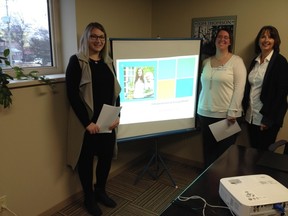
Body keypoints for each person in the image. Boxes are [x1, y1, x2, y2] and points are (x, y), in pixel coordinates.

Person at [66, 22, 121, 216]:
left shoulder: (108, 62)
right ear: (86, 39)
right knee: (86, 162)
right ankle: (88, 197)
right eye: (94, 36)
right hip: (88, 125)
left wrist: (117, 116)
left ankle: (100, 192)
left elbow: (116, 91)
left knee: (105, 159)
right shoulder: (77, 62)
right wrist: (87, 123)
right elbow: (72, 95)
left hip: (107, 122)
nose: (98, 40)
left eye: (102, 37)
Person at [197, 28, 247, 168]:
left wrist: (233, 112)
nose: (222, 39)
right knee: (208, 152)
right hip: (205, 113)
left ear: (230, 41)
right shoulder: (206, 62)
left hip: (226, 116)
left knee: (222, 155)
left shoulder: (236, 61)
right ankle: (206, 183)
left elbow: (239, 88)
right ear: (215, 39)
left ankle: (220, 186)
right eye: (219, 36)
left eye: (226, 37)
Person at [243, 25, 288, 151]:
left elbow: (281, 94)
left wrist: (268, 120)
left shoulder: (280, 62)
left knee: (263, 156)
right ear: (258, 40)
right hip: (251, 116)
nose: (266, 40)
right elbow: (250, 89)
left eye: (270, 37)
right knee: (253, 152)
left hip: (267, 119)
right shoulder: (254, 62)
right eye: (263, 36)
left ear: (275, 41)